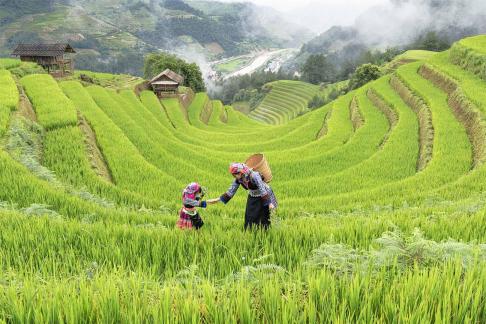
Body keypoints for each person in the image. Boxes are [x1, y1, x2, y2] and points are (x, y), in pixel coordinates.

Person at [208, 163, 277, 230]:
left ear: (240, 173)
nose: (234, 176)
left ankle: (264, 232)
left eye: (235, 175)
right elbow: (231, 191)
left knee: (264, 215)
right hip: (252, 195)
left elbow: (262, 188)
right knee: (249, 215)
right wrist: (217, 199)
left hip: (264, 195)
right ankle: (250, 232)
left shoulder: (254, 175)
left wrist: (269, 203)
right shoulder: (239, 179)